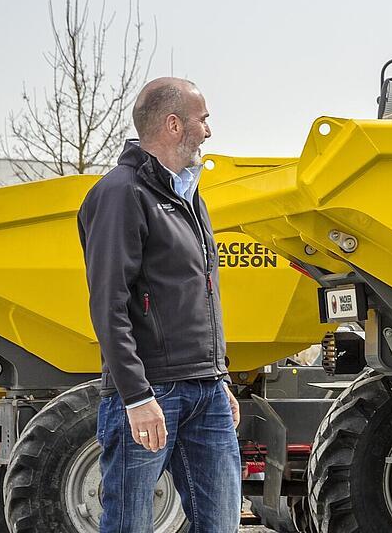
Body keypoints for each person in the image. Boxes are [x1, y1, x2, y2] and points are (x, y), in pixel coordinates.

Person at [80, 77, 241, 532]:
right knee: (129, 524)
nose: (208, 130)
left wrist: (219, 375)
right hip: (152, 392)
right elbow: (108, 304)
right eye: (202, 119)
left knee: (222, 525)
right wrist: (135, 396)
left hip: (205, 390)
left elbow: (201, 293)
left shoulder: (190, 194)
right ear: (174, 124)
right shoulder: (120, 194)